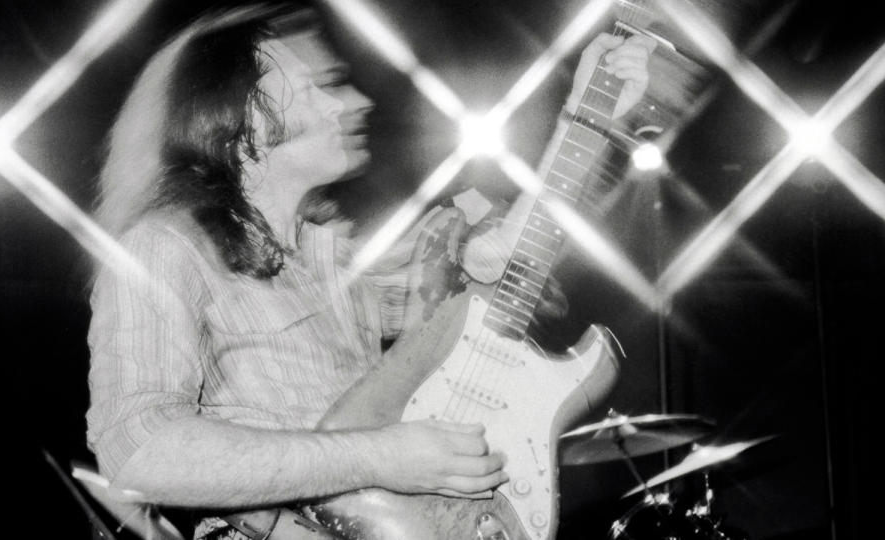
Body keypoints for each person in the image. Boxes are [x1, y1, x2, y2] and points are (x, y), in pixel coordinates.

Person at [85, 3, 654, 538]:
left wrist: (590, 114)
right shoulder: (163, 247)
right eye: (324, 86)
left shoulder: (334, 258)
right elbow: (139, 450)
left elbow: (508, 261)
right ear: (247, 116)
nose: (355, 102)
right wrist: (383, 455)